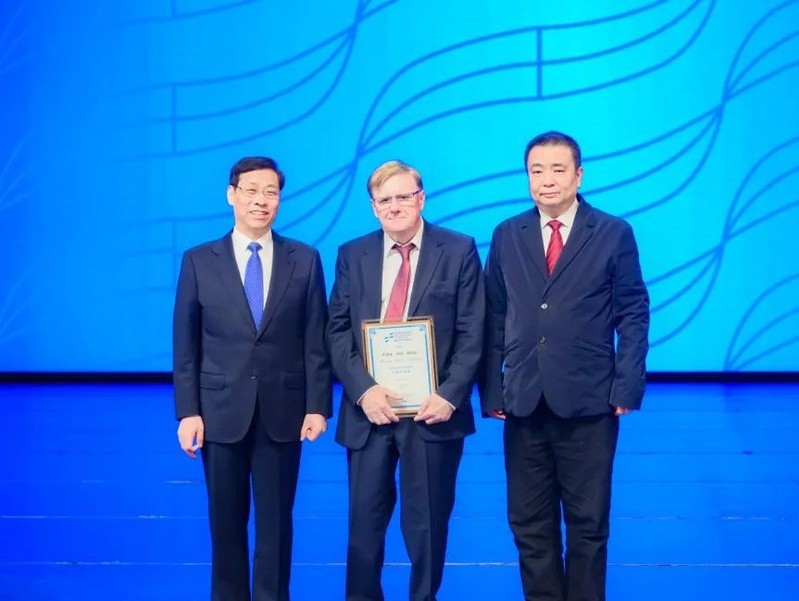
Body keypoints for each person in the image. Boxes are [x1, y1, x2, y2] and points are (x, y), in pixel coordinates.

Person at [480, 132, 650, 601]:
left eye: (558, 169)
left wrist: (626, 386)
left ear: (579, 175)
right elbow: (494, 314)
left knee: (587, 525)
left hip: (590, 401)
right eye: (537, 170)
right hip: (523, 401)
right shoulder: (507, 233)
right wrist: (492, 390)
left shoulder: (613, 232)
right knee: (528, 524)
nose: (547, 180)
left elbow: (633, 312)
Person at [172, 156, 332, 601]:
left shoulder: (305, 259)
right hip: (219, 413)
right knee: (225, 524)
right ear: (232, 195)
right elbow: (185, 345)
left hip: (283, 412)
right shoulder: (199, 260)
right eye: (252, 191)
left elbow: (315, 341)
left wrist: (318, 406)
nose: (261, 201)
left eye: (271, 192)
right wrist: (188, 412)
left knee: (276, 525)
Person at [327, 160, 484, 601]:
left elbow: (474, 331)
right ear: (373, 207)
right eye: (384, 199)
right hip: (369, 412)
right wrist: (364, 391)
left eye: (403, 196)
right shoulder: (352, 254)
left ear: (421, 199)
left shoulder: (458, 250)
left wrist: (449, 395)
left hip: (433, 412)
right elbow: (336, 331)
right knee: (363, 526)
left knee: (427, 526)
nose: (394, 206)